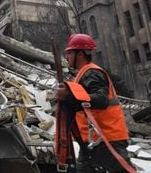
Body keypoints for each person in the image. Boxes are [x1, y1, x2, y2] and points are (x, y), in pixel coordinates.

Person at [56, 34, 131, 173]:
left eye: (69, 52)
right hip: (93, 140)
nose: (66, 57)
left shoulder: (91, 73)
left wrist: (69, 96)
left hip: (107, 139)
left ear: (80, 54)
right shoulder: (83, 74)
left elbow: (101, 100)